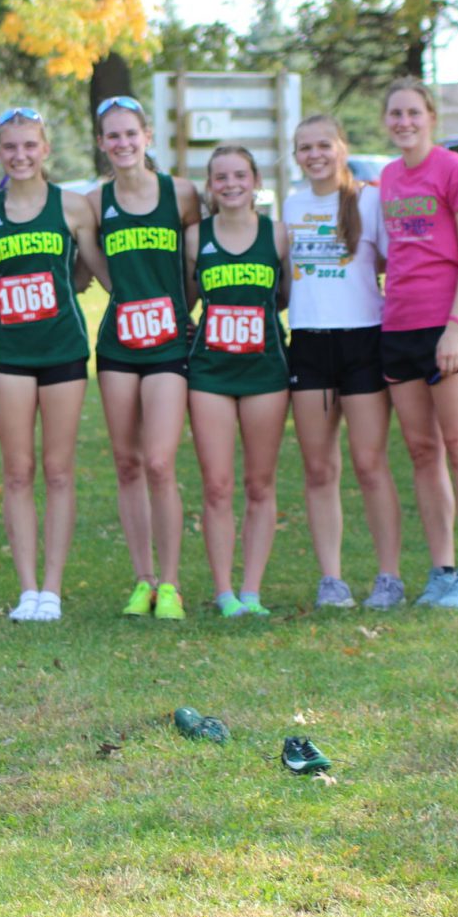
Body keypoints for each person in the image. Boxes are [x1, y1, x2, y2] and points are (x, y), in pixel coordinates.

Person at [0, 107, 110, 622]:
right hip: (8, 353)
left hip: (64, 349)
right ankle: (27, 589)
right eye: (10, 147)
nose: (21, 154)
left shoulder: (73, 207)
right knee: (18, 471)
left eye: (30, 145)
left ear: (45, 149)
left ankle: (53, 588)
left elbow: (97, 271)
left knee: (59, 470)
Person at [378, 78, 458, 608]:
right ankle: (442, 570)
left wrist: (455, 324)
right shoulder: (387, 178)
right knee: (422, 451)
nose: (404, 122)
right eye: (395, 114)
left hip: (450, 327)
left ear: (431, 116)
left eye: (413, 113)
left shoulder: (456, 171)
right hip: (398, 327)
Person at [283, 115, 404, 610]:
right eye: (304, 147)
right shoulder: (291, 205)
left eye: (323, 145)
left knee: (370, 464)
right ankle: (332, 580)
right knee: (318, 469)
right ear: (295, 155)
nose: (314, 155)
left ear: (341, 147)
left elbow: (404, 263)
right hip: (309, 344)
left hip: (363, 343)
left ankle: (389, 577)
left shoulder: (369, 201)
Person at [89, 95, 201, 622]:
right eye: (113, 136)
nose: (123, 143)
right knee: (127, 463)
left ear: (147, 136)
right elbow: (84, 270)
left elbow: (200, 264)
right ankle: (143, 581)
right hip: (117, 346)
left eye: (130, 133)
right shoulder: (94, 202)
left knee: (159, 462)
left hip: (169, 346)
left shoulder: (180, 194)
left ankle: (172, 584)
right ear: (101, 143)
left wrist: (183, 309)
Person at [185, 145, 292, 618]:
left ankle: (252, 591)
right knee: (217, 484)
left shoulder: (278, 235)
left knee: (260, 483)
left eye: (240, 176)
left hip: (265, 370)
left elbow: (285, 295)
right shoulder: (194, 238)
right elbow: (185, 298)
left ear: (256, 180)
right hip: (210, 371)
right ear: (210, 185)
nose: (231, 184)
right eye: (221, 177)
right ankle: (225, 592)